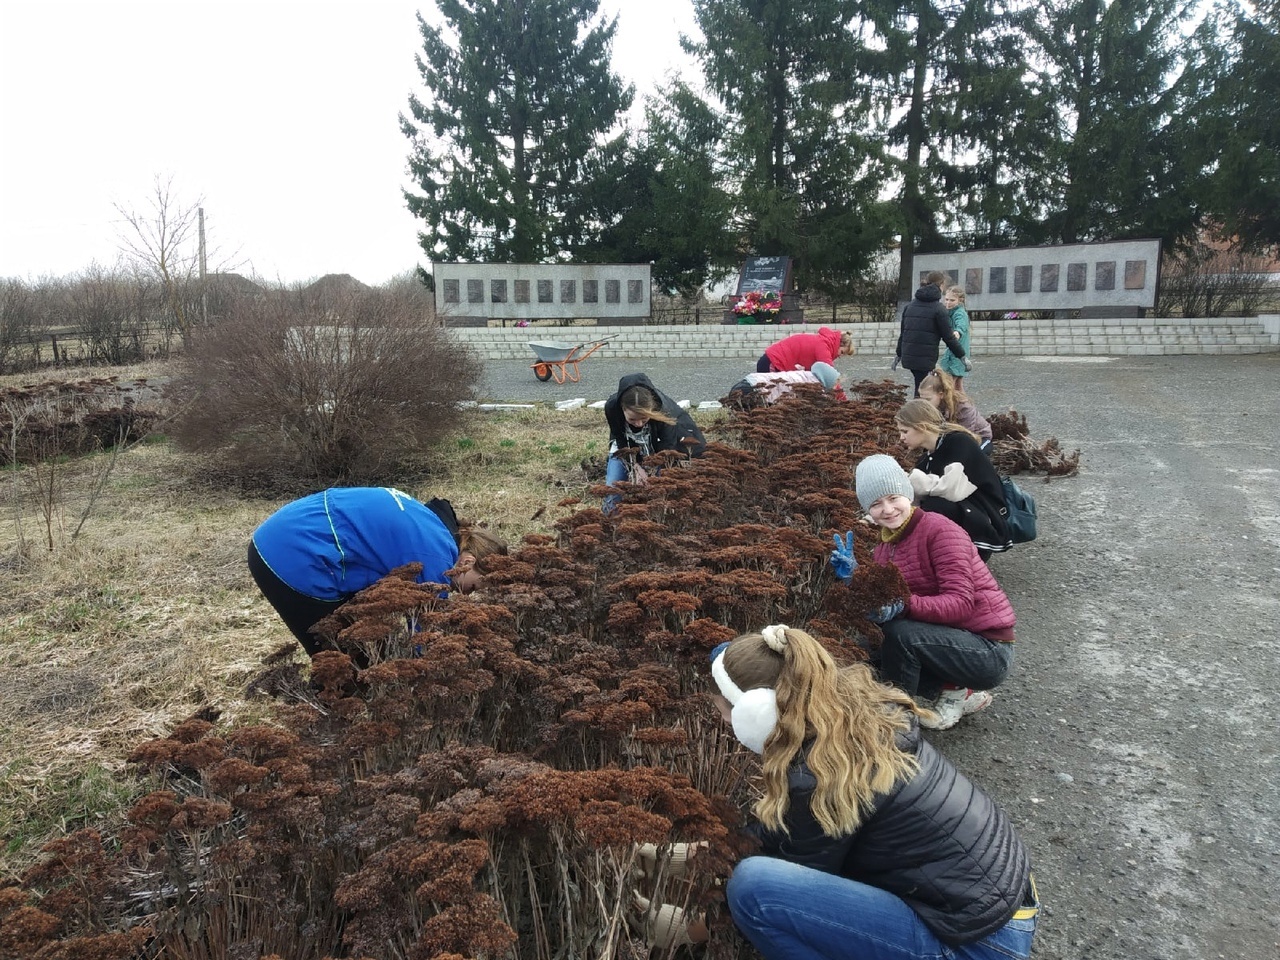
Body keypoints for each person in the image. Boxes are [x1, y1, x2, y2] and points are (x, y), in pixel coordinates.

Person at [711, 623, 1038, 958]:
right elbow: (789, 832)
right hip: (1001, 910)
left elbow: (797, 869)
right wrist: (713, 847)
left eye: (725, 711)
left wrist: (703, 924)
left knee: (753, 889)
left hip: (975, 945)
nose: (723, 721)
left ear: (759, 712)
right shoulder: (849, 728)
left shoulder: (816, 776)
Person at [835, 453, 1016, 729]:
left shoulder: (940, 530)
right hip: (948, 641)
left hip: (987, 649)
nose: (887, 509)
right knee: (866, 650)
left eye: (893, 498)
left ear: (907, 494)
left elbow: (960, 604)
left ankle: (899, 723)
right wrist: (857, 580)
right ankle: (953, 690)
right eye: (876, 503)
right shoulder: (885, 547)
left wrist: (903, 604)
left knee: (899, 635)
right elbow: (885, 606)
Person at [248, 487, 507, 656]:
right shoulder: (435, 558)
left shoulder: (433, 526)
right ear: (468, 561)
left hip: (290, 530)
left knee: (364, 645)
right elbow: (425, 638)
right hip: (290, 555)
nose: (466, 594)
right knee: (344, 660)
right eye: (473, 586)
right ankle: (329, 727)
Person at [896, 399, 1011, 556]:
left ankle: (956, 553)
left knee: (935, 505)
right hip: (968, 512)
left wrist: (910, 478)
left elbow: (952, 490)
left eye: (905, 431)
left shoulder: (959, 442)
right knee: (922, 509)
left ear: (921, 427)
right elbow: (912, 497)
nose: (901, 437)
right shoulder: (926, 459)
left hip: (987, 514)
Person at [603, 373, 706, 512]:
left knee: (658, 487)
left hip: (658, 446)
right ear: (622, 409)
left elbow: (667, 449)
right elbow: (619, 438)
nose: (638, 424)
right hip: (627, 446)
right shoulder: (612, 408)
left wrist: (653, 474)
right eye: (632, 419)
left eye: (644, 419)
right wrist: (636, 467)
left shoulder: (664, 410)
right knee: (613, 490)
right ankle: (611, 520)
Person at [897, 271, 968, 396]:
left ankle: (923, 411)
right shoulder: (938, 309)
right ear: (941, 286)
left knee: (921, 386)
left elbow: (903, 333)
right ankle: (921, 413)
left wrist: (898, 354)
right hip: (925, 358)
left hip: (909, 355)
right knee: (924, 390)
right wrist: (962, 356)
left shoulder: (910, 306)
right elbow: (948, 337)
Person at [919, 368, 992, 452]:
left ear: (941, 394)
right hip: (951, 436)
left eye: (928, 399)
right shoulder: (930, 407)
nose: (924, 404)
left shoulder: (963, 406)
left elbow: (967, 436)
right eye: (922, 399)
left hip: (978, 437)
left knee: (969, 456)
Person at [726, 361, 846, 406]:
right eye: (836, 386)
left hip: (749, 381)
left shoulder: (805, 375)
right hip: (754, 390)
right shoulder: (815, 388)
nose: (836, 389)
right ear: (828, 382)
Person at [756, 327, 855, 374]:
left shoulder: (823, 341)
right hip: (773, 363)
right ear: (838, 344)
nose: (840, 356)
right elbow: (829, 376)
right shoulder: (823, 348)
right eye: (842, 352)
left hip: (771, 360)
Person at [940, 284, 973, 390]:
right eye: (946, 299)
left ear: (960, 300)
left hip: (956, 351)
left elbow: (961, 325)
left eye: (952, 300)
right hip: (958, 350)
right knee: (958, 384)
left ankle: (951, 405)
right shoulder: (952, 312)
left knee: (950, 384)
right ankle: (964, 405)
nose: (948, 303)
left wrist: (957, 332)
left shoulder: (960, 313)